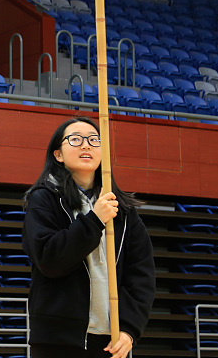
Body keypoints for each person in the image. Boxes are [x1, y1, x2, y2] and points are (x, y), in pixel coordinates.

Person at [22, 116, 155, 358]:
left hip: (111, 340)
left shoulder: (122, 209)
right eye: (75, 140)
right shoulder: (43, 200)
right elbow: (49, 259)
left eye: (94, 140)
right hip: (58, 341)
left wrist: (129, 330)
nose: (86, 145)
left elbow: (141, 275)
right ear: (58, 155)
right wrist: (94, 220)